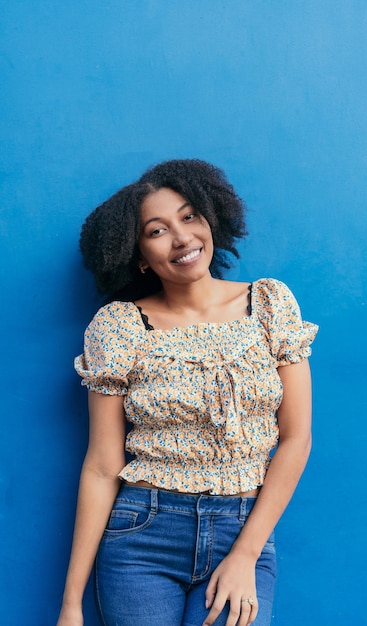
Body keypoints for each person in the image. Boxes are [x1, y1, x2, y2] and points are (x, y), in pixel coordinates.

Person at [57, 159, 318, 626]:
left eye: (189, 216)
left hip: (243, 527)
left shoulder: (269, 304)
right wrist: (71, 604)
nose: (181, 238)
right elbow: (101, 465)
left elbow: (296, 439)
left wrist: (245, 554)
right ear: (139, 256)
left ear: (210, 220)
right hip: (142, 535)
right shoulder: (119, 326)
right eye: (157, 231)